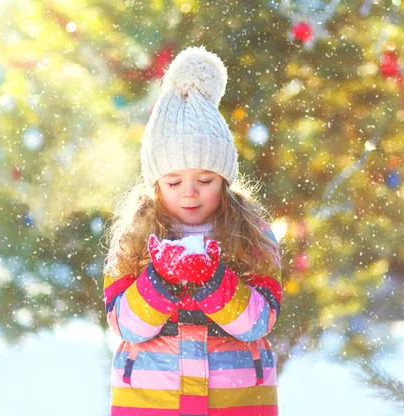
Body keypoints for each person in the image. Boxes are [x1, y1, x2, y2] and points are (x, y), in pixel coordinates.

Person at [102, 45, 283, 416]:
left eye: (204, 179)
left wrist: (213, 282)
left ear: (224, 179)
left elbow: (258, 322)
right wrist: (160, 280)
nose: (189, 191)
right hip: (153, 402)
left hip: (234, 401)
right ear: (155, 184)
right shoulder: (135, 239)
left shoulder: (251, 235)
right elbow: (126, 326)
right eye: (172, 182)